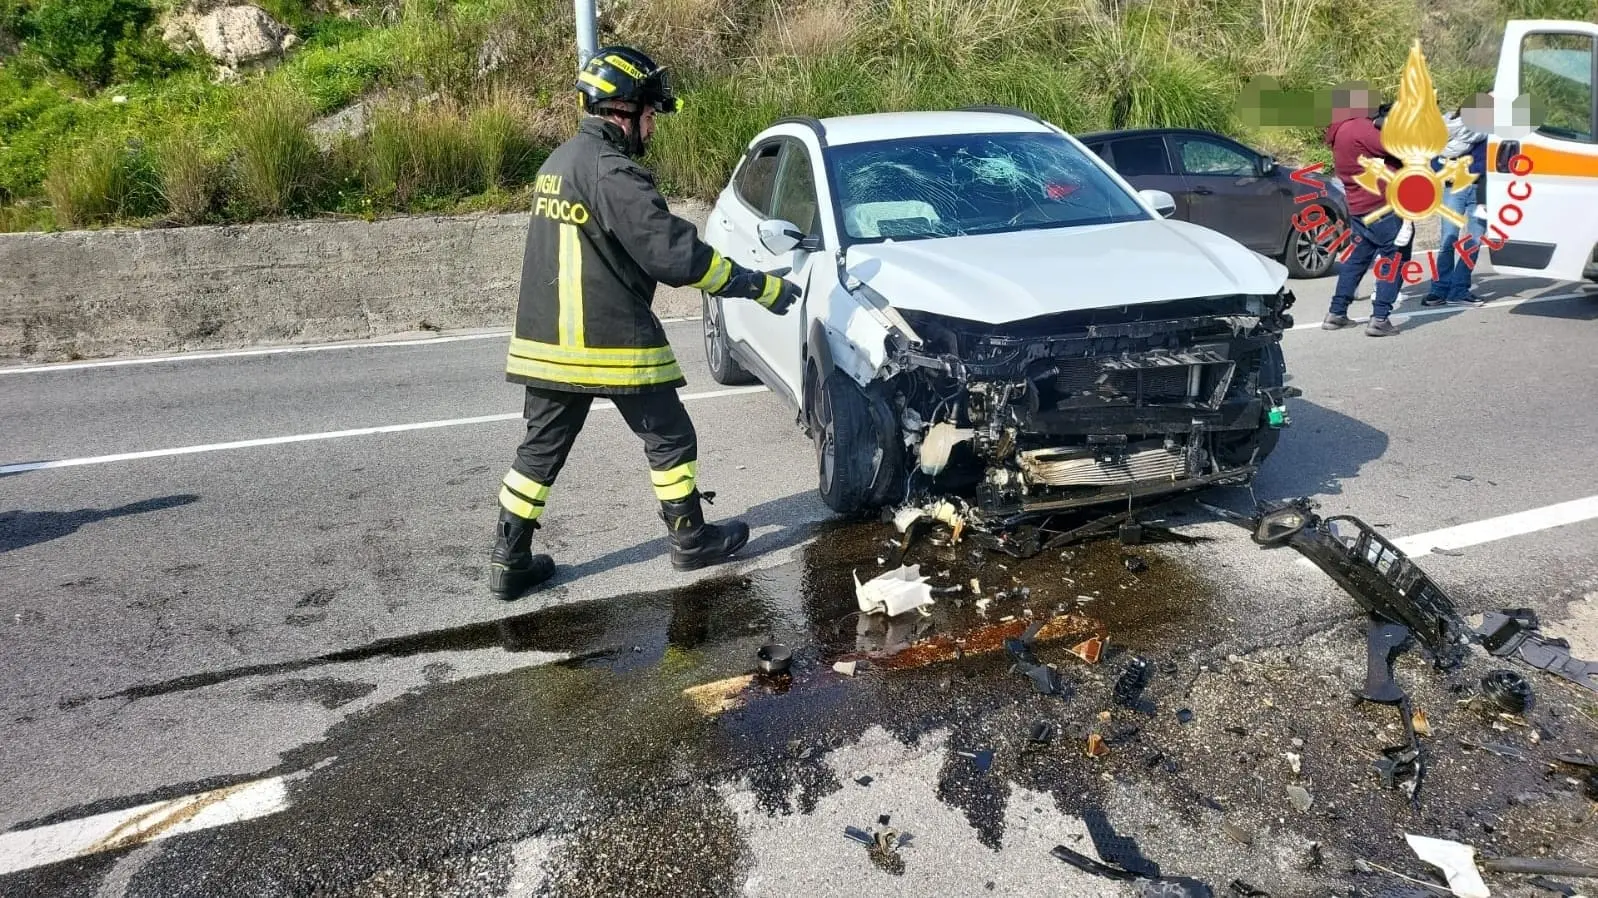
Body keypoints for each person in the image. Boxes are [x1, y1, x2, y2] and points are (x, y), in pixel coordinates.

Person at [487, 45, 801, 602]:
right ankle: (690, 539)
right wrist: (759, 286)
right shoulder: (614, 173)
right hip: (609, 339)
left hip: (546, 343)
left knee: (538, 451)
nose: (652, 128)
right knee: (670, 435)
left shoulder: (557, 164)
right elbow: (674, 256)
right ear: (623, 110)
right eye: (650, 115)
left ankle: (508, 560)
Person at [1322, 84, 1409, 337]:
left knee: (1356, 260)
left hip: (1359, 206)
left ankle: (1337, 312)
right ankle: (1380, 318)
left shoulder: (1339, 130)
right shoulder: (1359, 127)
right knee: (1395, 259)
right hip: (1382, 204)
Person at [1421, 94, 1492, 307]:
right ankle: (1439, 289)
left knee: (1474, 240)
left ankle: (1459, 289)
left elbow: (1490, 160)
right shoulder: (1448, 128)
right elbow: (1435, 159)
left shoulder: (1491, 131)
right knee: (1448, 239)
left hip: (1481, 190)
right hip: (1455, 188)